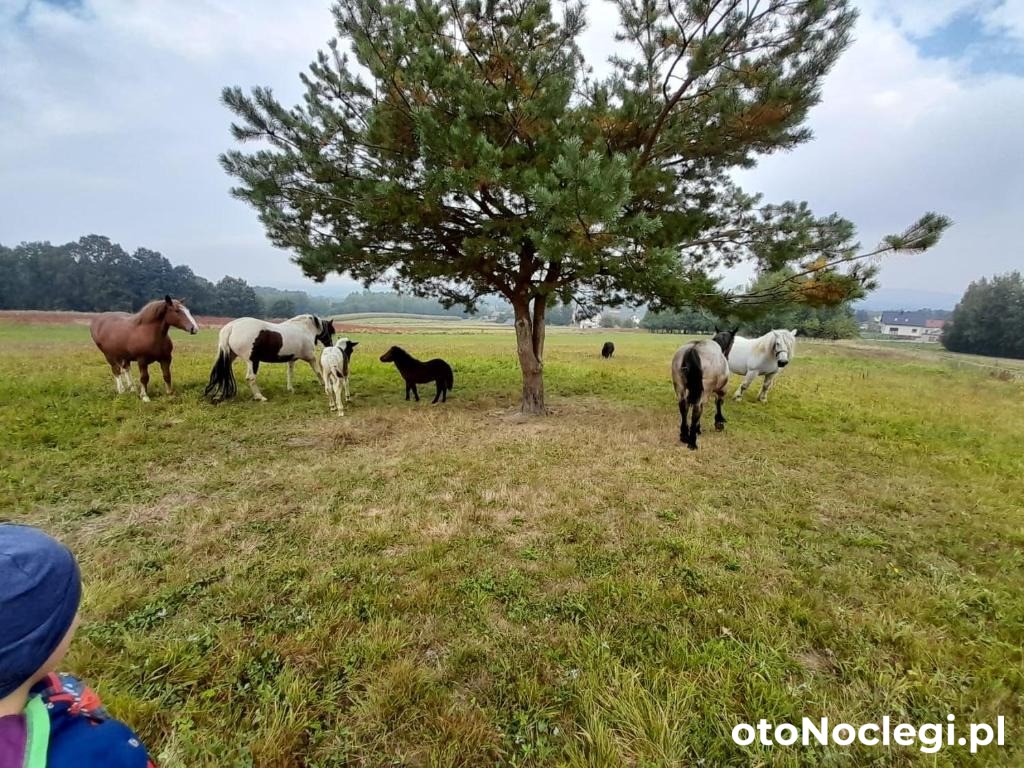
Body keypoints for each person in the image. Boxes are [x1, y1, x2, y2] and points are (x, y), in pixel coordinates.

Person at [0, 524, 155, 768]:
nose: (78, 619)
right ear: (37, 643)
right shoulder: (101, 757)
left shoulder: (32, 683)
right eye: (69, 612)